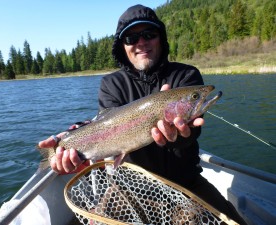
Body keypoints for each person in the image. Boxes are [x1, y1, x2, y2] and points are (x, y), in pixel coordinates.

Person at [39, 4, 247, 224]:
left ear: (161, 38)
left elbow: (192, 131)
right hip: (128, 189)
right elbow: (103, 122)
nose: (141, 43)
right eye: (131, 38)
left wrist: (180, 136)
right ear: (123, 46)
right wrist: (70, 139)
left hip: (186, 183)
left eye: (149, 34)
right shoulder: (112, 84)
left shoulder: (186, 75)